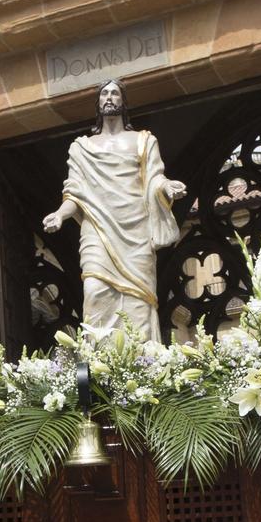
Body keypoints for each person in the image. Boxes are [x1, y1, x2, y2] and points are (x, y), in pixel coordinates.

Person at [40, 79, 186, 339]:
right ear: (98, 103)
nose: (109, 97)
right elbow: (74, 191)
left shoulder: (143, 141)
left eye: (115, 93)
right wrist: (60, 215)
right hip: (97, 226)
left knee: (138, 300)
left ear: (123, 102)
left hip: (136, 229)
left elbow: (154, 177)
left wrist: (167, 187)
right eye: (104, 93)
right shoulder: (82, 148)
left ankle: (143, 363)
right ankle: (100, 362)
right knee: (95, 290)